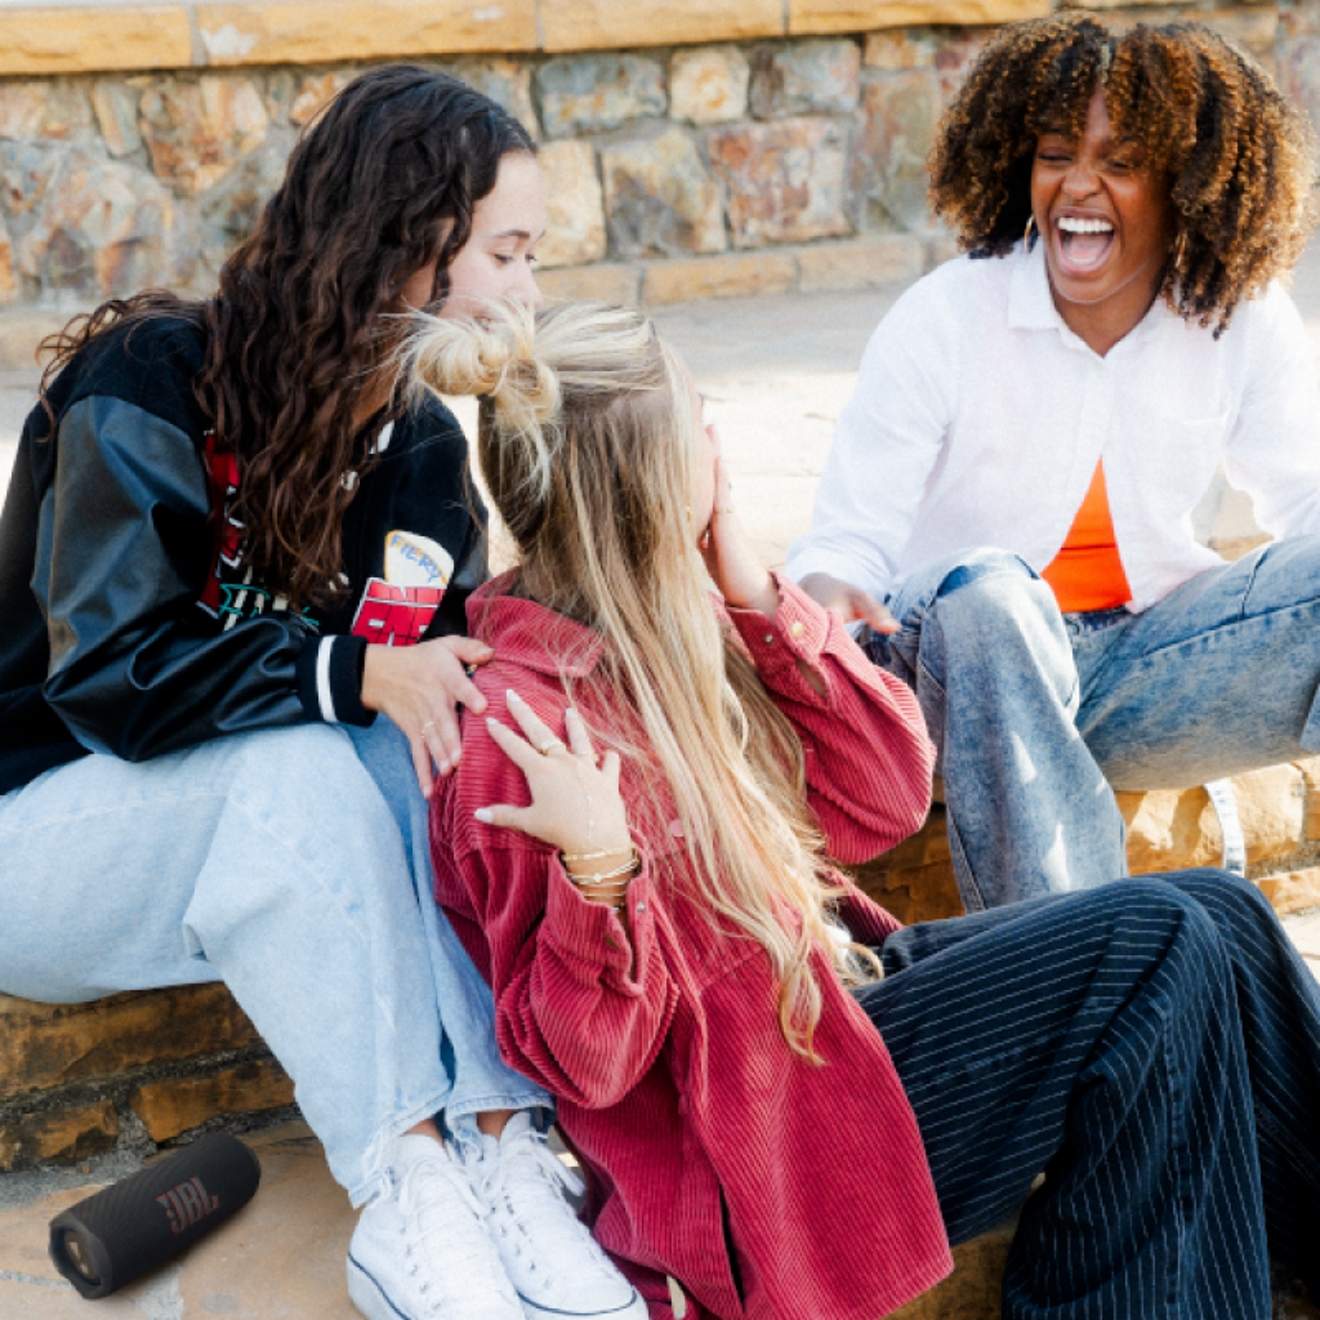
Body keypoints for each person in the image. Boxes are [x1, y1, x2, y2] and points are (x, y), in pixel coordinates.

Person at [410, 298, 1320, 1320]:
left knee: (1221, 915)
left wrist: (763, 600)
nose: (717, 444)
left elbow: (881, 797)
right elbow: (592, 1063)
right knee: (1155, 949)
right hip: (764, 1150)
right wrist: (598, 873)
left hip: (828, 1017)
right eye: (698, 424)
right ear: (652, 483)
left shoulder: (683, 620)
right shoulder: (520, 739)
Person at [0, 67, 643, 1320]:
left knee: (436, 734)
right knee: (304, 749)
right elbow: (107, 679)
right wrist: (344, 670)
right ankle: (401, 1176)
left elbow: (442, 692)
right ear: (409, 243)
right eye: (507, 254)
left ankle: (500, 1139)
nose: (528, 292)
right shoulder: (148, 382)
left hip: (237, 856)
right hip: (43, 837)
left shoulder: (420, 444)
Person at [786, 15, 1320, 910]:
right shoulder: (947, 316)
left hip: (1146, 669)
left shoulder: (1235, 313)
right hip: (960, 668)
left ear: (1185, 185)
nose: (1077, 184)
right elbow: (848, 540)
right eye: (1056, 154)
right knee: (992, 593)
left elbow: (1307, 505)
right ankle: (1077, 961)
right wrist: (826, 595)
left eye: (1121, 162)